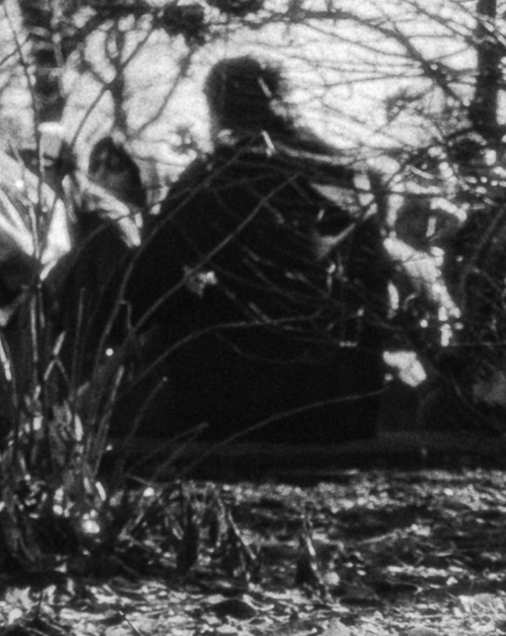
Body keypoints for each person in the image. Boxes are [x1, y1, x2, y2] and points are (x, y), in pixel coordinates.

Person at [120, 56, 395, 443]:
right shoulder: (345, 172)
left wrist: (116, 329)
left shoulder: (217, 174)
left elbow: (152, 275)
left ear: (220, 107)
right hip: (337, 400)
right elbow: (376, 282)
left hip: (240, 398)